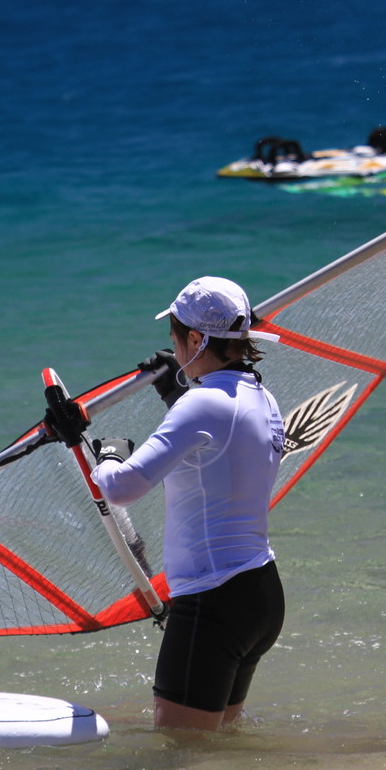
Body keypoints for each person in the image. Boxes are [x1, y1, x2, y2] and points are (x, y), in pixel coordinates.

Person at [91, 277, 287, 732]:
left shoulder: (200, 405)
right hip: (259, 595)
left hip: (212, 599)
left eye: (175, 336)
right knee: (220, 746)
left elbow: (121, 487)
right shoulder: (263, 398)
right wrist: (176, 394)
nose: (175, 348)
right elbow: (217, 453)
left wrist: (108, 455)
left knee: (181, 756)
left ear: (196, 339)